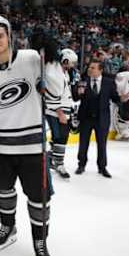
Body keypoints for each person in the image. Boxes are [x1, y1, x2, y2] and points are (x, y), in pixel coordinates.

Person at [0, 16, 53, 256]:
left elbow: (54, 89)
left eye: (1, 35)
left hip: (33, 146)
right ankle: (8, 226)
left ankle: (40, 240)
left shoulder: (31, 58)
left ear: (9, 36)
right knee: (4, 190)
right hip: (2, 147)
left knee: (38, 197)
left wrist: (50, 56)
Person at [74, 59, 128, 178]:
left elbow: (114, 98)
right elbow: (75, 97)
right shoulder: (83, 81)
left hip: (102, 118)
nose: (90, 69)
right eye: (89, 67)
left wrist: (121, 99)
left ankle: (102, 167)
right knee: (83, 143)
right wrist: (78, 92)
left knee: (102, 144)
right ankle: (81, 165)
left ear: (100, 70)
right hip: (86, 118)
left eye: (93, 68)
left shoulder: (109, 82)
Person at [45, 48, 79, 179]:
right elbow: (53, 95)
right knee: (61, 137)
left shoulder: (64, 72)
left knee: (60, 137)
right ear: (65, 60)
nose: (73, 65)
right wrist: (60, 113)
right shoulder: (56, 73)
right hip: (56, 111)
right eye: (72, 62)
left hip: (63, 110)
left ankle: (51, 160)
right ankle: (58, 163)